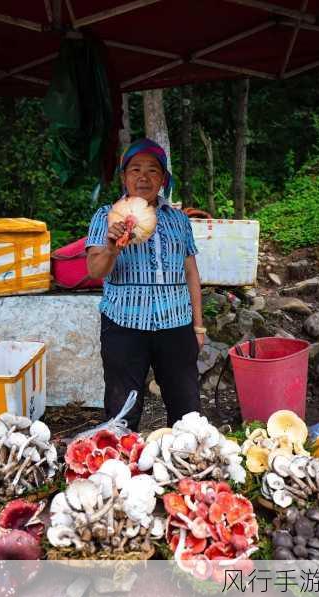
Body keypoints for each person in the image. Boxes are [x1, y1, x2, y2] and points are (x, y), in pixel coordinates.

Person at [86, 138, 205, 431]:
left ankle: (185, 467)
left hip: (176, 323)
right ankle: (119, 470)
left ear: (163, 179)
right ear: (124, 177)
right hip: (124, 324)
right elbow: (94, 270)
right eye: (135, 169)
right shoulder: (106, 217)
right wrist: (112, 246)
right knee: (122, 411)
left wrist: (198, 327)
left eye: (153, 170)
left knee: (187, 410)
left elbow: (191, 273)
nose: (143, 177)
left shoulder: (178, 219)